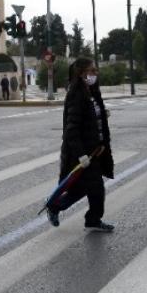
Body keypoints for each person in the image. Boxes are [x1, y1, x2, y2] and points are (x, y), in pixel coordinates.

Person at [46, 57, 115, 232]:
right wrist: (81, 155)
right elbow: (71, 129)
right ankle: (91, 219)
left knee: (84, 187)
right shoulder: (76, 94)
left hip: (96, 149)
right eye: (92, 70)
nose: (95, 73)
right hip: (83, 152)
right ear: (82, 73)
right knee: (94, 187)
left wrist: (101, 115)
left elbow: (90, 116)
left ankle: (57, 207)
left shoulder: (92, 91)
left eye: (95, 70)